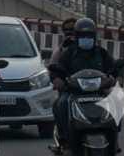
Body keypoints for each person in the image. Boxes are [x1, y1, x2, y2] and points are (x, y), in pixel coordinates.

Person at [49, 17, 118, 154]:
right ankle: (64, 139)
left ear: (94, 36)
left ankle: (115, 139)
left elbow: (113, 68)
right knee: (60, 103)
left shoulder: (101, 53)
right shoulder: (68, 53)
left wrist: (114, 77)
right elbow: (57, 69)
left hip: (99, 92)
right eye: (82, 36)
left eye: (89, 36)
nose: (86, 39)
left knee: (118, 101)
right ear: (77, 36)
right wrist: (57, 79)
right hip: (74, 92)